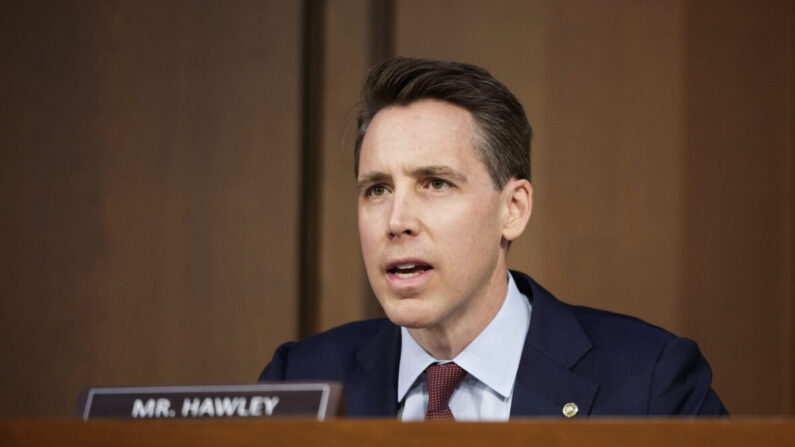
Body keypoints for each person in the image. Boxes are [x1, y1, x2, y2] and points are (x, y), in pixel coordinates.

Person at [259, 57, 728, 419]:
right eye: (377, 189)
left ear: (513, 209)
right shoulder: (302, 379)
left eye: (435, 183)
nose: (396, 220)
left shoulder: (650, 382)